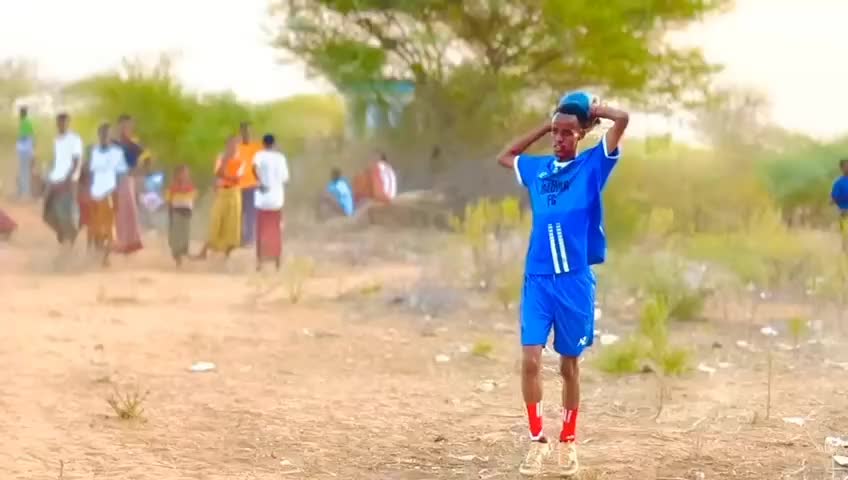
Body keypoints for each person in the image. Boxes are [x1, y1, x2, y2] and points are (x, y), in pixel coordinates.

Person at [496, 92, 628, 477]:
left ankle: (568, 442)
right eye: (556, 132)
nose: (559, 138)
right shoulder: (538, 170)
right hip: (538, 280)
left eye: (567, 132)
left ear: (581, 134)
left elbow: (622, 120)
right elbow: (506, 155)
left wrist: (594, 111)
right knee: (530, 361)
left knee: (569, 367)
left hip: (574, 282)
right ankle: (537, 441)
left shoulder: (592, 166)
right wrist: (546, 124)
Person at [196, 137, 242, 259]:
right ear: (227, 145)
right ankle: (204, 252)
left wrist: (226, 176)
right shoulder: (221, 157)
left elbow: (238, 178)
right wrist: (226, 165)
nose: (233, 147)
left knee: (232, 226)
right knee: (215, 223)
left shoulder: (240, 159)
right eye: (231, 144)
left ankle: (226, 255)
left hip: (234, 193)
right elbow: (218, 173)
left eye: (235, 145)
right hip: (222, 192)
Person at [43, 112, 83, 248]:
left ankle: (70, 240)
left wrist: (71, 177)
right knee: (48, 212)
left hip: (69, 180)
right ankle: (63, 234)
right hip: (56, 179)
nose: (61, 125)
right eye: (59, 122)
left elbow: (77, 160)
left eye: (64, 122)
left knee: (68, 211)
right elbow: (56, 160)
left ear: (68, 123)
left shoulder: (74, 139)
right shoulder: (56, 139)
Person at [88, 123, 125, 266]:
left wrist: (117, 195)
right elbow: (90, 173)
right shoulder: (93, 151)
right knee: (96, 228)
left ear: (110, 136)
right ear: (99, 135)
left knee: (109, 228)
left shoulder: (116, 153)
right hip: (96, 193)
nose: (104, 136)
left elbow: (120, 175)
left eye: (107, 134)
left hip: (110, 192)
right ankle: (99, 255)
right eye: (102, 133)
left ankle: (105, 257)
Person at [252, 133, 289, 271]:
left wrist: (260, 182)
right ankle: (277, 261)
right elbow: (285, 179)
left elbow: (254, 168)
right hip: (277, 201)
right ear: (274, 144)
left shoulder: (259, 155)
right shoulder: (281, 158)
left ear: (263, 144)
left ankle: (260, 262)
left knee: (261, 231)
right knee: (276, 231)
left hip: (262, 200)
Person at [112, 115, 145, 255]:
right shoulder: (112, 144)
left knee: (128, 211)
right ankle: (117, 242)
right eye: (123, 126)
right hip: (113, 180)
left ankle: (129, 243)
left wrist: (135, 174)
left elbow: (140, 166)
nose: (126, 129)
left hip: (127, 180)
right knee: (116, 212)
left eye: (128, 126)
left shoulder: (134, 146)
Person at [165, 165, 197, 267]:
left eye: (186, 173)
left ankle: (182, 254)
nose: (185, 175)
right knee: (175, 236)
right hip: (176, 212)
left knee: (184, 235)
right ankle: (177, 256)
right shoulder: (172, 187)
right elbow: (169, 201)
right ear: (177, 175)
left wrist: (191, 210)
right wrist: (170, 213)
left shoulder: (190, 187)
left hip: (186, 213)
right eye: (182, 173)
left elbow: (192, 200)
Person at [237, 121, 262, 246]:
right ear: (241, 132)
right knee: (238, 213)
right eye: (245, 131)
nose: (247, 134)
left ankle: (249, 238)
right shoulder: (237, 147)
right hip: (238, 185)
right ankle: (239, 237)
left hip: (252, 185)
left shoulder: (258, 147)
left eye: (249, 131)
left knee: (251, 213)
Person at [16, 106, 35, 199]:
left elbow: (24, 137)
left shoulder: (24, 123)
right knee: (25, 171)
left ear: (23, 113)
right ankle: (25, 191)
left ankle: (24, 192)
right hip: (27, 150)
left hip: (25, 151)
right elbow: (32, 137)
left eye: (21, 113)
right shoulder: (27, 122)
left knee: (24, 171)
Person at [831, 159, 848, 254]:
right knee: (845, 233)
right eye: (845, 166)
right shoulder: (838, 183)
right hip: (844, 212)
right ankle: (845, 251)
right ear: (841, 168)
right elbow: (834, 197)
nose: (847, 168)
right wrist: (832, 201)